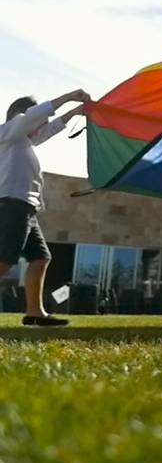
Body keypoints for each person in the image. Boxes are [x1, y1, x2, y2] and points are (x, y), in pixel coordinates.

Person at [0, 88, 89, 326]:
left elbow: (47, 131)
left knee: (40, 257)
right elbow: (34, 117)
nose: (41, 127)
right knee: (4, 261)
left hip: (26, 208)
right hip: (12, 205)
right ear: (22, 116)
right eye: (38, 121)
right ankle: (34, 312)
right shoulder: (8, 132)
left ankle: (34, 313)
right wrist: (69, 96)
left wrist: (74, 112)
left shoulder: (22, 141)